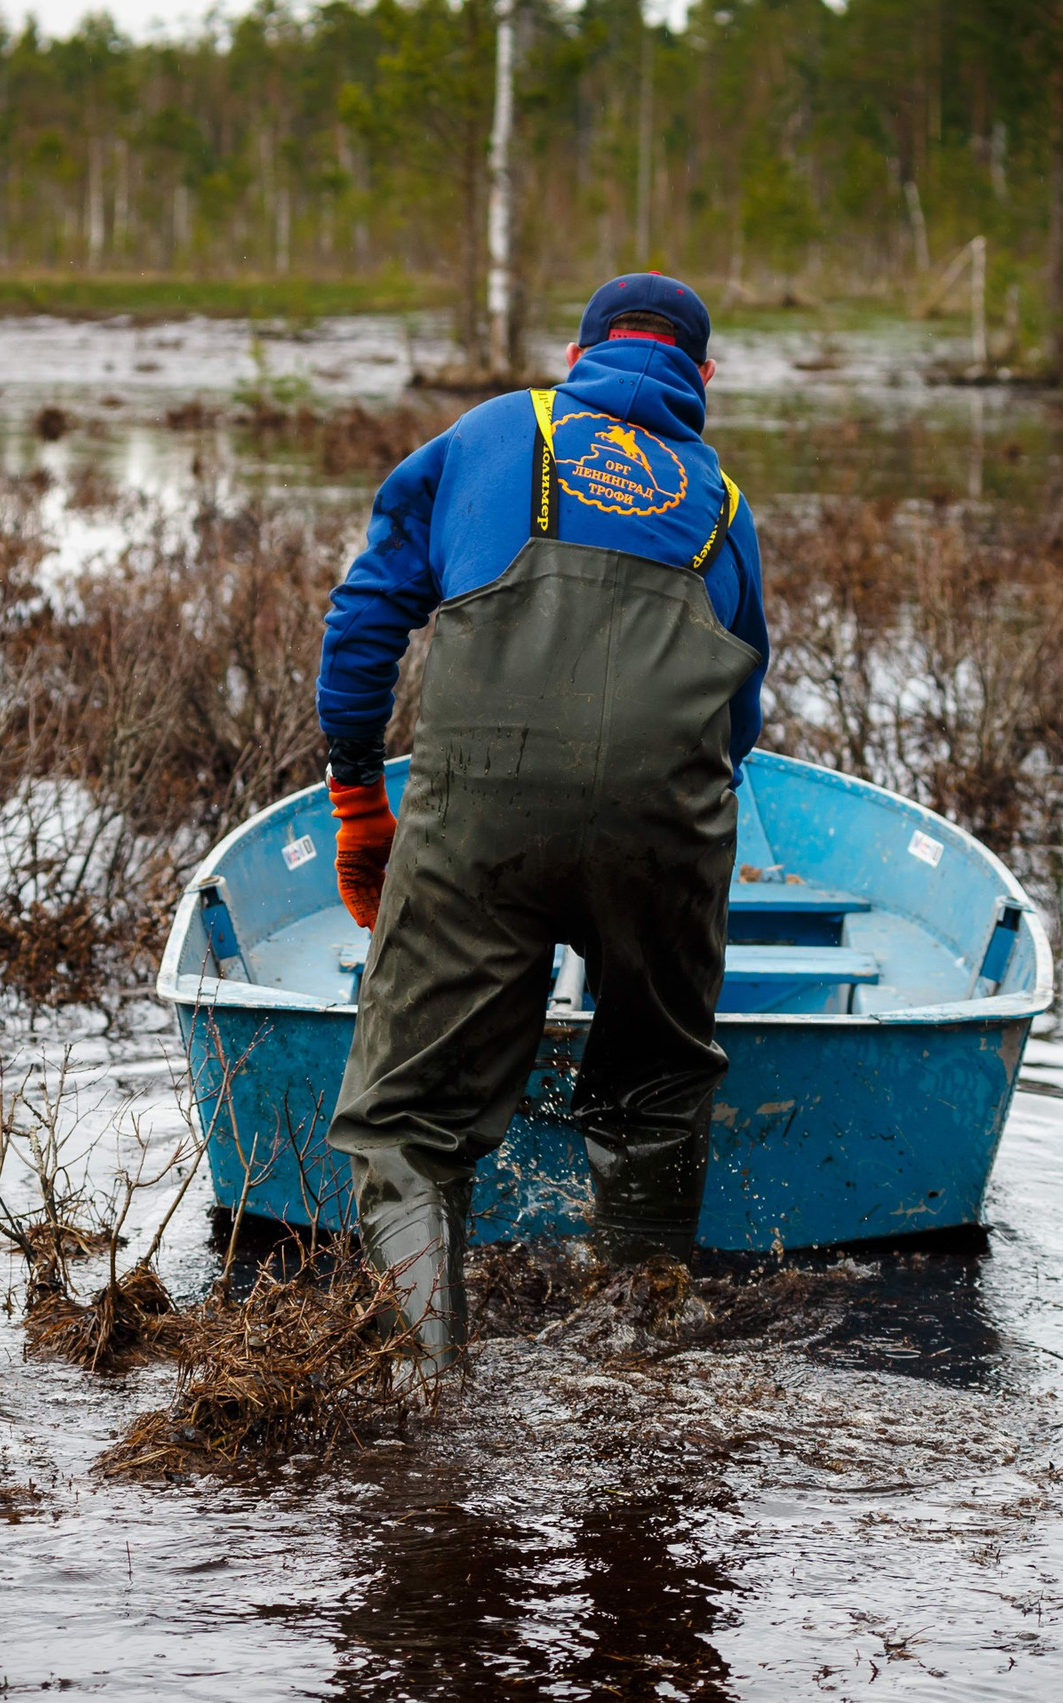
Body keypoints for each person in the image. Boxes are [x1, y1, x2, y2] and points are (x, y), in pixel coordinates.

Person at [314, 274, 768, 1373]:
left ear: (578, 354)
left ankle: (428, 1390)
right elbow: (738, 725)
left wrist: (355, 795)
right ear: (701, 379)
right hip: (664, 829)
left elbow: (366, 617)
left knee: (408, 1121)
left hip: (480, 814)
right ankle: (643, 1356)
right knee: (655, 1092)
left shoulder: (491, 430)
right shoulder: (724, 503)